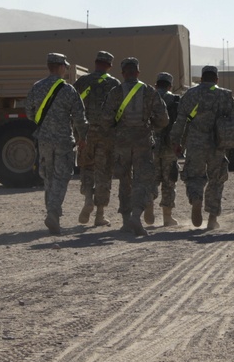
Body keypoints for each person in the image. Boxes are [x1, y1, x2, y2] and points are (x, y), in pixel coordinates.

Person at [99, 57, 169, 237]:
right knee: (142, 180)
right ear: (138, 72)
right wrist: (150, 125)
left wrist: (117, 130)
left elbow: (105, 120)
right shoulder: (148, 91)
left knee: (124, 180)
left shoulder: (115, 92)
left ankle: (125, 220)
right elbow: (163, 119)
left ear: (123, 73)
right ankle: (136, 216)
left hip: (121, 143)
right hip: (143, 141)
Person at [24, 52, 88, 235]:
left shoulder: (37, 87)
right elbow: (79, 117)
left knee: (49, 176)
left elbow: (29, 111)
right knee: (62, 177)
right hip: (63, 141)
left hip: (43, 139)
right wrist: (83, 137)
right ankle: (53, 213)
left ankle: (53, 216)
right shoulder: (68, 90)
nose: (66, 69)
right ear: (59, 67)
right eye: (65, 66)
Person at [169, 65, 234, 229]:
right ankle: (212, 218)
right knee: (216, 179)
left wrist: (176, 142)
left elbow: (180, 122)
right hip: (218, 144)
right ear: (216, 79)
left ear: (201, 78)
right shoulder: (226, 95)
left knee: (194, 176)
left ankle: (196, 199)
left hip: (195, 143)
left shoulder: (190, 94)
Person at [74, 50, 121, 227]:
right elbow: (119, 111)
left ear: (95, 63)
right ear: (109, 65)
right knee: (104, 173)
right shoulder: (114, 84)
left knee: (87, 168)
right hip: (106, 135)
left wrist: (77, 133)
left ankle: (87, 199)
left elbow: (75, 107)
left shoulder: (83, 81)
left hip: (86, 134)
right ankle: (99, 214)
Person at [148, 71, 181, 227]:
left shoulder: (149, 98)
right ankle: (167, 217)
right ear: (170, 86)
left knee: (151, 179)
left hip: (151, 145)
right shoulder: (175, 100)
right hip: (169, 146)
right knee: (169, 181)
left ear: (156, 85)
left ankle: (149, 204)